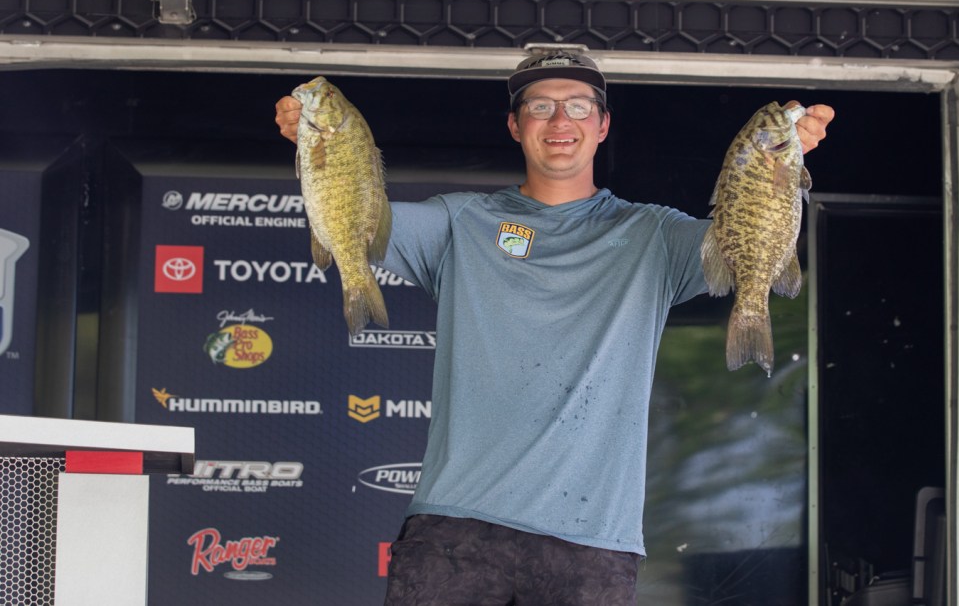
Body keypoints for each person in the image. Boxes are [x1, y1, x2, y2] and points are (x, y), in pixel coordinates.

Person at [275, 51, 834, 605]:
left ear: (603, 125)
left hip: (593, 540)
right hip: (455, 529)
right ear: (515, 125)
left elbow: (745, 239)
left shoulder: (657, 236)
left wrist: (778, 168)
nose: (560, 120)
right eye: (540, 106)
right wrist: (317, 147)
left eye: (579, 106)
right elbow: (354, 215)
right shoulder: (458, 222)